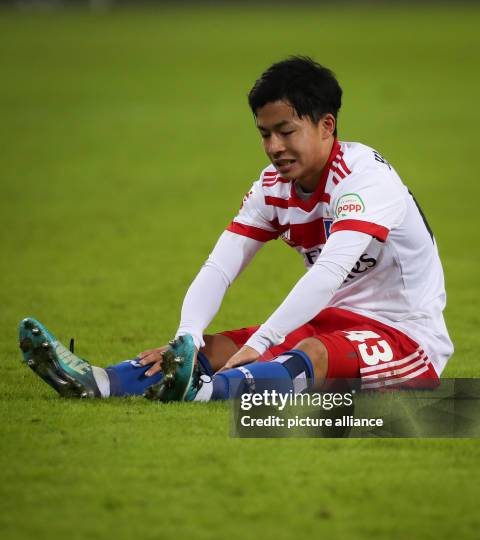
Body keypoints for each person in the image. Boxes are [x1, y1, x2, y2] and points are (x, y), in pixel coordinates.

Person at [19, 57, 453, 402]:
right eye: (264, 134)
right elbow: (221, 266)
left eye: (286, 132)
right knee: (214, 348)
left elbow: (326, 276)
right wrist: (185, 339)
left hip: (405, 335)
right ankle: (99, 382)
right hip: (330, 321)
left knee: (312, 354)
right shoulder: (272, 186)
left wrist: (263, 341)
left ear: (327, 126)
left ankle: (203, 395)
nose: (274, 148)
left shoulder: (365, 180)